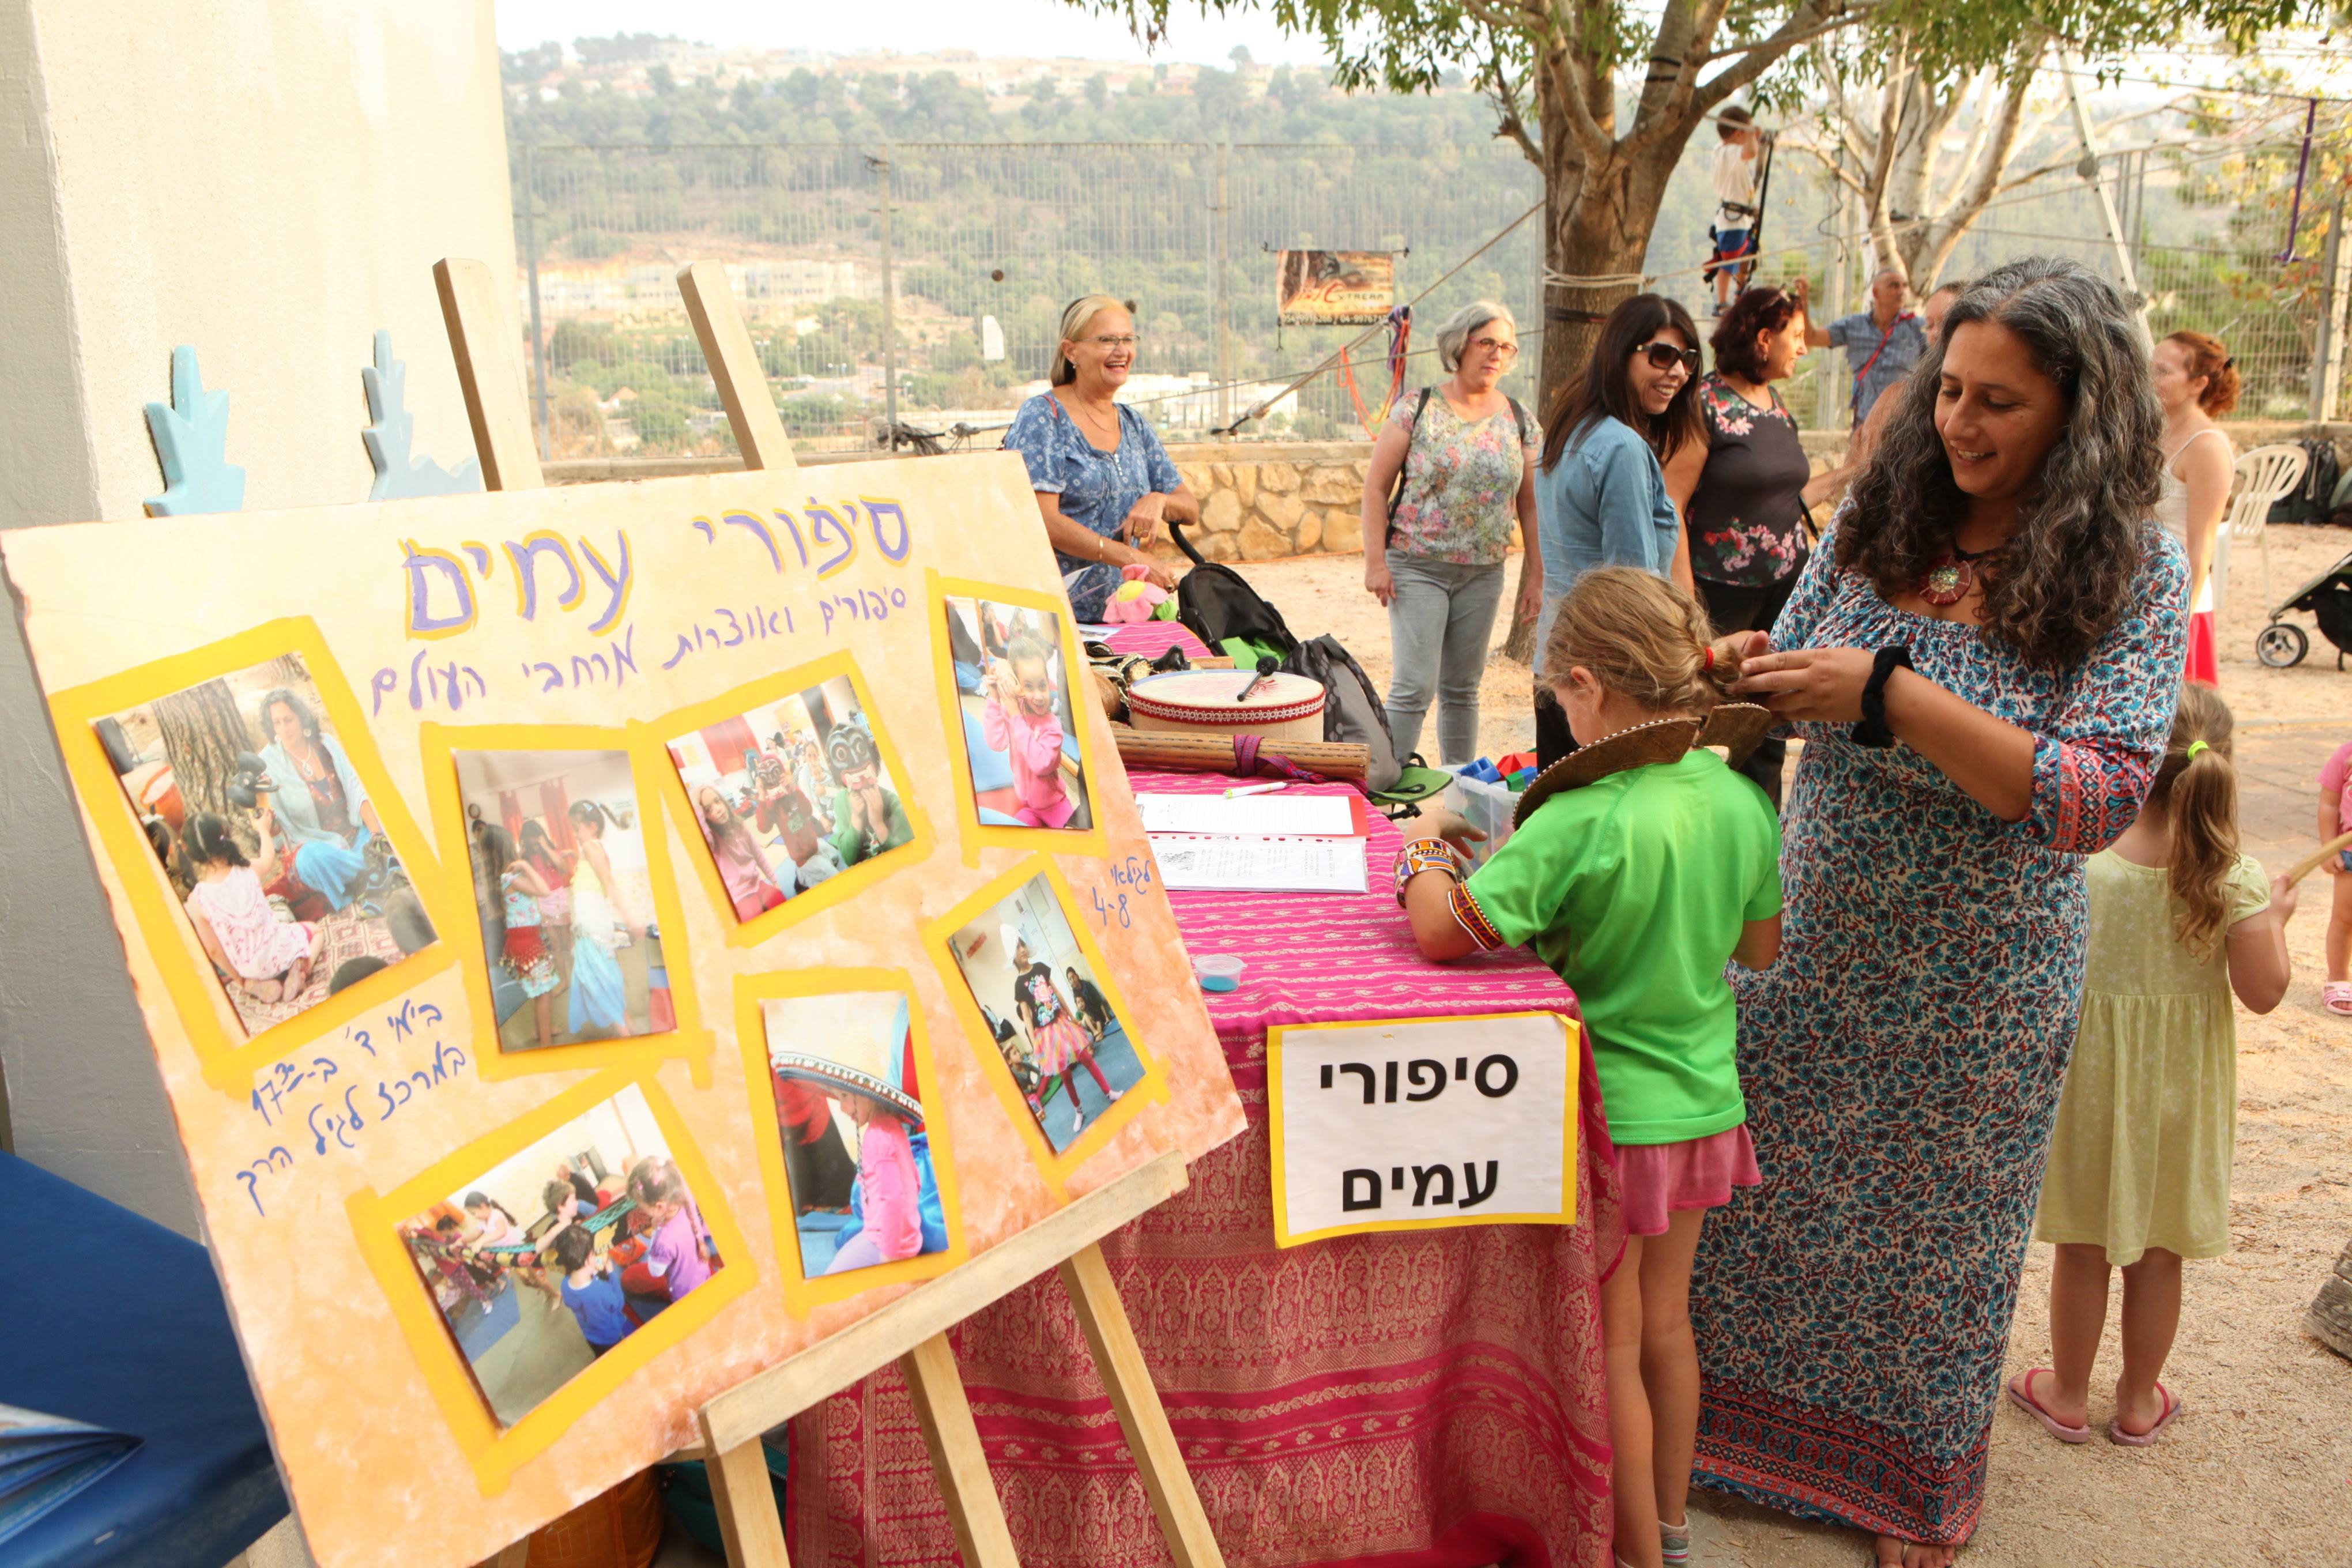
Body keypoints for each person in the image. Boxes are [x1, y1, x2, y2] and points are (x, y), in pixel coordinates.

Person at [1687, 257, 2188, 1568]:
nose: (1958, 423)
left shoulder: (2130, 559)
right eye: (1947, 391)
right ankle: (1733, 1440)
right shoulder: (1883, 510)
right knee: (1768, 1191)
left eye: (1998, 404)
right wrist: (1748, 666)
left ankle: (1905, 1486)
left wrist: (1890, 694)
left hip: (1981, 964)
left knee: (1937, 1244)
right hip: (1817, 923)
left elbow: (2089, 797)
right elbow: (1797, 647)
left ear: (2081, 413)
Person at [1392, 566, 1782, 1568]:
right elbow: (1760, 948)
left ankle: (1638, 1556)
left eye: (1560, 697)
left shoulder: (1581, 815)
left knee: (1612, 1344)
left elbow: (1442, 932)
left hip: (1615, 1116)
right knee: (1668, 1325)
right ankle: (1679, 1527)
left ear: (1586, 685)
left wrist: (1426, 851)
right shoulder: (1740, 797)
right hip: (1704, 1104)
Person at [2011, 684, 2294, 1449]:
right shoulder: (2236, 878)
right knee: (2159, 1251)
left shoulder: (2088, 859)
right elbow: (2265, 993)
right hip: (2180, 1091)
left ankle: (2068, 1394)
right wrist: (2271, 919)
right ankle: (2138, 1400)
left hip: (2094, 1085)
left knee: (2082, 1245)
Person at [1664, 286, 1844, 804]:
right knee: (1708, 719)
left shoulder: (1775, 403)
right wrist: (1686, 596)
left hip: (1784, 588)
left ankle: (1761, 837)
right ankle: (1702, 831)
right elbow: (1671, 502)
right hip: (1721, 593)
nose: (1804, 348)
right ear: (1765, 339)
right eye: (1797, 336)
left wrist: (1850, 471)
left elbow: (1783, 498)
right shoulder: (1706, 403)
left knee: (1767, 719)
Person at [1358, 300, 1542, 764]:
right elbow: (1376, 488)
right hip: (1416, 566)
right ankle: (1387, 784)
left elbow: (1532, 505)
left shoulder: (1520, 421)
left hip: (1483, 573)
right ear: (1460, 345)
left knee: (1463, 688)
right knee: (1415, 685)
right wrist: (1375, 563)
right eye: (1487, 343)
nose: (1496, 355)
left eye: (1507, 347)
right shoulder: (1416, 408)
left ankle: (1461, 791)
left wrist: (1537, 575)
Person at [1531, 293, 1705, 767]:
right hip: (1610, 689)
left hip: (1558, 666)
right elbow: (1636, 590)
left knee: (1564, 829)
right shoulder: (1622, 448)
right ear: (1620, 352)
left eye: (1687, 359)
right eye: (1662, 356)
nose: (1679, 372)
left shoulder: (1571, 429)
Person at [1002, 295, 1199, 621]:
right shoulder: (1044, 416)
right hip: (1059, 615)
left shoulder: (1133, 423)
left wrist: (1158, 499)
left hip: (1131, 614)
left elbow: (1189, 508)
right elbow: (1045, 521)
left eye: (1127, 339)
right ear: (1071, 351)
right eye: (1107, 340)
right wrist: (1131, 557)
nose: (1121, 351)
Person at [2151, 331, 2239, 683]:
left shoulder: (2207, 448)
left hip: (2175, 604)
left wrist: (2177, 624)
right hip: (2138, 594)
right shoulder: (2155, 432)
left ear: (2198, 384)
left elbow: (2202, 546)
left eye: (2162, 371)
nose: (2149, 379)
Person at [257, 687, 385, 913]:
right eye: (277, 723)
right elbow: (278, 829)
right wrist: (263, 815)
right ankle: (372, 870)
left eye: (289, 719)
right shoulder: (267, 764)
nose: (284, 729)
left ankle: (369, 865)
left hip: (357, 836)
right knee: (311, 860)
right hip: (319, 849)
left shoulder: (326, 744)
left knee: (386, 822)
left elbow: (357, 790)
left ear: (301, 717)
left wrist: (376, 835)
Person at [1830, 278, 1967, 484]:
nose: (1936, 333)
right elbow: (1868, 473)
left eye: (1947, 322)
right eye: (1929, 325)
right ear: (1875, 293)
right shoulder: (1901, 396)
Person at [182, 809, 322, 1005]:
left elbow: (214, 951)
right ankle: (301, 969)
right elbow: (268, 858)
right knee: (316, 932)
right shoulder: (247, 870)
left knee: (251, 962)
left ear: (188, 850)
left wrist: (241, 979)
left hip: (250, 970)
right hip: (280, 952)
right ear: (225, 836)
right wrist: (263, 829)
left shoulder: (197, 901)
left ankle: (252, 986)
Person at [1009, 930, 1119, 1139]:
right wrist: (1035, 1046)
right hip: (1046, 1034)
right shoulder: (1018, 986)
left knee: (1085, 1057)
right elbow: (1027, 1016)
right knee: (1065, 1073)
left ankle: (1109, 1091)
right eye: (1017, 948)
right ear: (1012, 955)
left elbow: (1057, 993)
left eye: (1023, 945)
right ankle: (1078, 1111)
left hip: (1060, 1022)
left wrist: (1072, 1017)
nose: (1022, 950)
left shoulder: (1041, 968)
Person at [1796, 266, 1925, 427]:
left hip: (1904, 424)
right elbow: (1811, 338)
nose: (1901, 291)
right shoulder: (1854, 325)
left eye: (1904, 286)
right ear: (1876, 293)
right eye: (1894, 285)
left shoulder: (1918, 327)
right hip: (1865, 425)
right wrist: (1804, 303)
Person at [821, 1087, 925, 1275]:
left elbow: (892, 1197)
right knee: (844, 1253)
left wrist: (889, 1253)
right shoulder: (892, 1126)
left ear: (868, 1095)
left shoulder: (877, 1135)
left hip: (888, 1243)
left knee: (830, 1280)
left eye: (845, 1096)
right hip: (901, 1235)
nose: (843, 1108)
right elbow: (916, 1181)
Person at [983, 631, 1079, 827]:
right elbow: (997, 742)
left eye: (1042, 686)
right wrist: (994, 699)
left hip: (1055, 806)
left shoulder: (1052, 726)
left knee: (1073, 837)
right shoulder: (1014, 711)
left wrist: (1015, 716)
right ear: (1018, 686)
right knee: (1019, 834)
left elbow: (1041, 764)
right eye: (1028, 686)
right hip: (1028, 806)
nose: (1038, 696)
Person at [564, 799, 640, 1039]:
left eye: (578, 828)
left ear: (593, 827)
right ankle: (630, 1027)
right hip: (594, 922)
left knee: (596, 980)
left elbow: (609, 883)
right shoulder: (594, 849)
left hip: (591, 924)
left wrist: (631, 919)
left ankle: (626, 1034)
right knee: (605, 975)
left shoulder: (589, 847)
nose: (576, 835)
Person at [485, 824, 560, 1050]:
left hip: (527, 937)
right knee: (544, 992)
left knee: (540, 989)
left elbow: (526, 903)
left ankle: (541, 1031)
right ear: (507, 849)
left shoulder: (508, 877)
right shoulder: (510, 877)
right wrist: (527, 865)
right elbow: (545, 891)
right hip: (526, 943)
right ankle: (545, 1043)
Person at [623, 1157, 718, 1301]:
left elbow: (656, 1271)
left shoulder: (663, 1240)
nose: (640, 1208)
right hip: (702, 1272)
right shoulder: (686, 1196)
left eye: (641, 1206)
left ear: (660, 1207)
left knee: (630, 1277)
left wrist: (656, 1231)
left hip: (686, 1292)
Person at [693, 783, 786, 921]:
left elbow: (758, 855)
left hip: (757, 884)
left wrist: (774, 880)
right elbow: (701, 836)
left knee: (780, 901)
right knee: (756, 921)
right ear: (704, 818)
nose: (718, 809)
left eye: (718, 802)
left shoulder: (740, 826)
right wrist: (695, 804)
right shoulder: (713, 840)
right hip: (739, 896)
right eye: (709, 810)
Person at [823, 728, 911, 866]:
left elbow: (910, 857)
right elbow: (848, 859)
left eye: (860, 748)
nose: (854, 759)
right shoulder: (841, 801)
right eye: (842, 754)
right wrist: (856, 819)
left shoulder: (894, 803)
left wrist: (879, 825)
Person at [1706, 107, 1763, 315]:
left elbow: (1752, 150)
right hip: (1733, 219)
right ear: (1739, 133)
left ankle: (1741, 293)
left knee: (1746, 255)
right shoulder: (1730, 152)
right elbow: (1751, 152)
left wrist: (1753, 136)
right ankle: (1722, 301)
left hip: (1742, 218)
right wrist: (1751, 133)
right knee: (1728, 261)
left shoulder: (1722, 150)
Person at [546, 1225, 634, 1358]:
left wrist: (592, 1273)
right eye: (593, 1254)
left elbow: (573, 1302)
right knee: (621, 1357)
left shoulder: (565, 1284)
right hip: (612, 1336)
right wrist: (611, 1274)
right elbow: (618, 1303)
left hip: (591, 1337)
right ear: (588, 1259)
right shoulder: (599, 1290)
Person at [519, 819, 574, 989]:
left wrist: (546, 847)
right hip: (542, 902)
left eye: (536, 839)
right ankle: (564, 982)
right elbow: (523, 881)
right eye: (530, 841)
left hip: (558, 899)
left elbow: (564, 869)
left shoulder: (551, 851)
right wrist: (521, 853)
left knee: (567, 943)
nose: (534, 844)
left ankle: (578, 980)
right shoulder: (526, 859)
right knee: (555, 945)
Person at [2321, 738, 2352, 1016]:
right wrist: (2329, 848)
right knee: (2344, 919)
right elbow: (2329, 804)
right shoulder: (2345, 755)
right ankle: (2339, 978)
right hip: (2350, 857)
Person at [1066, 965, 1112, 1038]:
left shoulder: (1087, 985)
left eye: (1073, 977)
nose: (1073, 980)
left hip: (1097, 1013)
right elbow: (1079, 1009)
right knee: (1083, 1024)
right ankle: (1096, 1035)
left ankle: (1098, 1033)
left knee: (1096, 1021)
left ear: (1077, 976)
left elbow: (1099, 1001)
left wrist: (1106, 1017)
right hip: (1089, 1017)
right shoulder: (1075, 992)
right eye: (1070, 979)